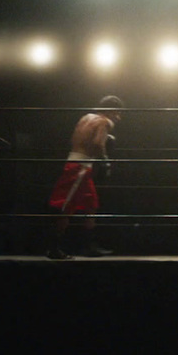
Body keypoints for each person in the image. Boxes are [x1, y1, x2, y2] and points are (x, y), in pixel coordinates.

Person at [46, 95, 123, 260]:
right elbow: (97, 143)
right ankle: (54, 247)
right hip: (79, 168)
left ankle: (88, 246)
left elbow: (73, 140)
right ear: (110, 110)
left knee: (91, 204)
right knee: (65, 206)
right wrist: (105, 162)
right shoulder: (105, 122)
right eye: (117, 112)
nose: (118, 117)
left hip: (78, 163)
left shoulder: (85, 117)